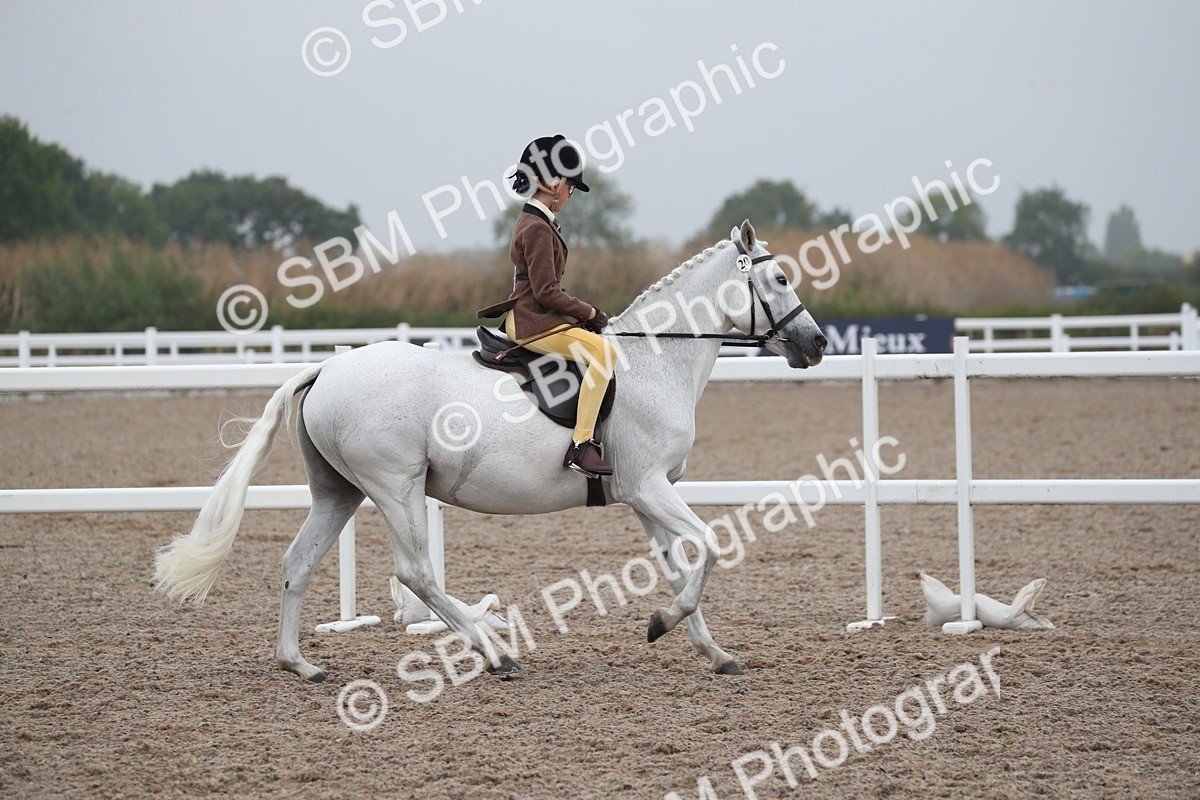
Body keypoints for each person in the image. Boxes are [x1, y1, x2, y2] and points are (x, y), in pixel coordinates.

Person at [477, 135, 617, 478]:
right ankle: (581, 444)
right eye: (570, 186)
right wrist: (590, 313)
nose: (570, 195)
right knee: (604, 354)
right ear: (553, 183)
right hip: (533, 320)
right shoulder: (537, 227)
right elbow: (546, 292)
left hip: (535, 314)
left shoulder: (536, 221)